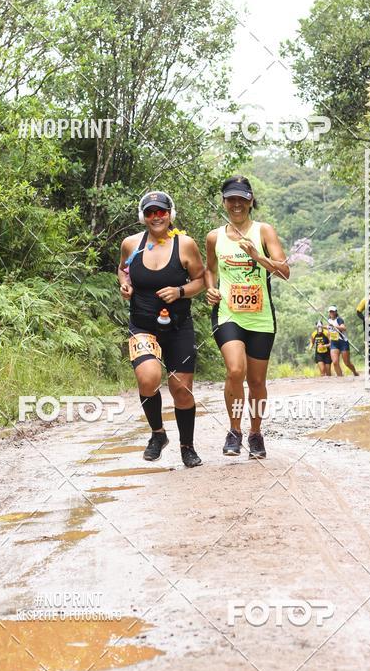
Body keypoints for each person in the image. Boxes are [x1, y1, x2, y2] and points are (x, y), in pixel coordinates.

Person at [118, 191, 205, 468]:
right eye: (150, 212)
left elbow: (200, 280)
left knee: (181, 389)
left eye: (161, 212)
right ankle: (158, 434)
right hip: (143, 326)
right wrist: (125, 284)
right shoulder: (131, 244)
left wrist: (180, 291)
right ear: (142, 217)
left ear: (170, 214)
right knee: (148, 379)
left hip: (178, 327)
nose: (156, 217)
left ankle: (187, 446)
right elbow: (123, 270)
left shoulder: (185, 245)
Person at [205, 175, 289, 459]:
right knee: (235, 370)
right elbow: (209, 269)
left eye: (242, 199)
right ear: (224, 202)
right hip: (228, 314)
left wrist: (257, 256)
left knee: (256, 381)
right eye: (231, 199)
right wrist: (211, 289)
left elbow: (284, 271)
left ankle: (255, 433)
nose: (236, 204)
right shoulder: (214, 237)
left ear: (251, 201)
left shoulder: (263, 231)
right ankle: (234, 431)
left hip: (261, 317)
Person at [327, 305, 358, 377]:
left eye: (333, 311)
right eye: (330, 311)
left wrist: (334, 326)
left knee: (347, 363)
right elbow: (329, 329)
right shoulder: (328, 320)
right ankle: (340, 377)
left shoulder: (339, 319)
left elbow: (344, 328)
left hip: (343, 342)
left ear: (336, 312)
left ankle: (354, 372)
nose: (331, 313)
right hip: (334, 343)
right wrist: (322, 327)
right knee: (335, 362)